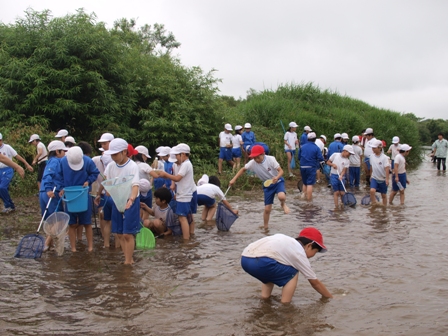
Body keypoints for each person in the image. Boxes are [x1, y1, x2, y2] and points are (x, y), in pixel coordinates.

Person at [241, 227, 332, 304]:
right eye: (315, 252)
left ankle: (265, 298)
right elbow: (315, 282)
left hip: (245, 259)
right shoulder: (299, 253)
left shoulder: (287, 241)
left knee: (271, 273)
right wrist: (330, 297)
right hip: (262, 262)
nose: (313, 256)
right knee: (293, 271)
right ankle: (285, 304)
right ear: (308, 246)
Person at [95, 138, 141, 264]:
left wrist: (131, 199)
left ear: (124, 152)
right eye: (112, 154)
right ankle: (128, 258)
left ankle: (128, 261)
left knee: (128, 233)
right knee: (119, 233)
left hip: (130, 201)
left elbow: (135, 185)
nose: (114, 157)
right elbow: (107, 182)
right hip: (116, 201)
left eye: (116, 154)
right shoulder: (110, 166)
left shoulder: (132, 166)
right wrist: (101, 194)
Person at [229, 144, 289, 229]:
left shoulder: (271, 159)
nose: (256, 159)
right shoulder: (252, 163)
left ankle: (283, 204)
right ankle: (265, 227)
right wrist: (233, 179)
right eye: (254, 157)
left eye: (258, 157)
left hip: (277, 181)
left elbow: (281, 171)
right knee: (267, 209)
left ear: (263, 154)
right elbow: (243, 169)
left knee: (281, 196)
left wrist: (277, 177)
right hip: (267, 185)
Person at [57, 146, 99, 252]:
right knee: (71, 223)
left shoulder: (88, 161)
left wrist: (88, 181)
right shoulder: (62, 162)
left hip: (83, 194)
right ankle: (73, 248)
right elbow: (58, 176)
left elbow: (95, 173)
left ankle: (90, 247)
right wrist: (61, 187)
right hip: (69, 194)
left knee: (87, 223)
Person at [157, 143, 197, 240]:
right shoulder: (178, 164)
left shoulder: (186, 164)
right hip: (184, 192)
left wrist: (165, 175)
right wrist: (173, 186)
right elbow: (175, 179)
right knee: (187, 216)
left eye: (176, 155)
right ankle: (190, 237)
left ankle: (186, 240)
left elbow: (178, 178)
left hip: (186, 193)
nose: (175, 158)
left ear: (183, 154)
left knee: (182, 217)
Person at [39, 140, 67, 251]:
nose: (64, 153)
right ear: (57, 151)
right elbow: (47, 176)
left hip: (44, 192)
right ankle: (46, 244)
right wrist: (48, 189)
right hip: (51, 193)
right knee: (59, 218)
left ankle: (49, 244)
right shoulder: (55, 161)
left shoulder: (50, 161)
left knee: (49, 220)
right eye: (63, 151)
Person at [0, 133, 34, 213]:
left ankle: (8, 205)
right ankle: (10, 205)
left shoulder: (7, 147)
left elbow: (16, 156)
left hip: (7, 169)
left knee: (2, 187)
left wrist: (26, 164)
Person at [298, 132, 325, 201]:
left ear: (307, 139)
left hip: (302, 167)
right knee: (310, 184)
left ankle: (303, 197)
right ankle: (309, 201)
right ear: (315, 139)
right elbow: (321, 158)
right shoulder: (316, 148)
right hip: (311, 167)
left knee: (305, 183)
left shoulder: (302, 147)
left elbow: (299, 157)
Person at [369, 140, 390, 206]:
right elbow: (372, 166)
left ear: (380, 148)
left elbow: (387, 169)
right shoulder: (371, 156)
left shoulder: (384, 158)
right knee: (372, 191)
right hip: (374, 177)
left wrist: (387, 179)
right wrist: (370, 176)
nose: (373, 149)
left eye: (374, 148)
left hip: (382, 179)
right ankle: (374, 204)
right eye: (372, 148)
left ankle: (384, 208)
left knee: (383, 195)